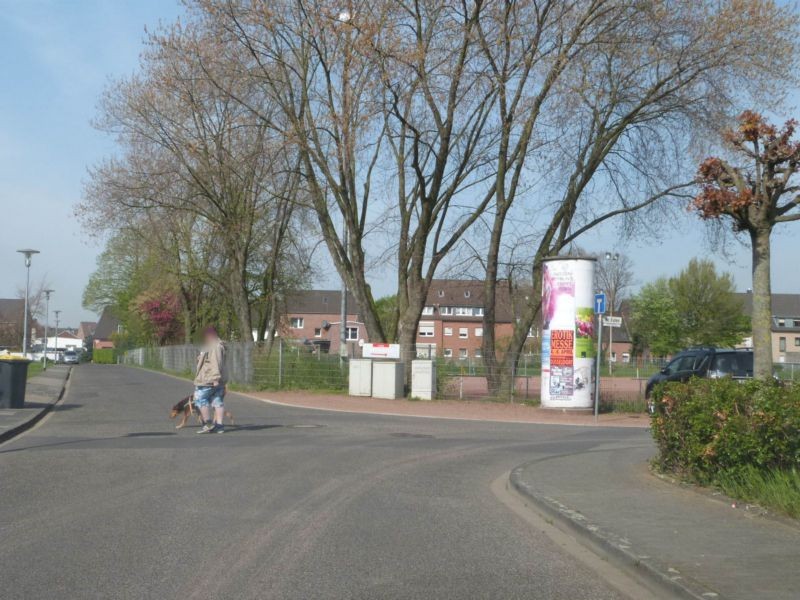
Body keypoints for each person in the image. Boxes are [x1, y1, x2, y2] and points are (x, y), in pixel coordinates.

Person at [194, 326, 228, 434]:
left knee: (199, 399)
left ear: (210, 336)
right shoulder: (217, 346)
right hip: (215, 379)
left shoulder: (214, 346)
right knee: (217, 401)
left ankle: (208, 424)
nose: (205, 338)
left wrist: (215, 378)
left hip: (208, 379)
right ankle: (219, 426)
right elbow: (211, 361)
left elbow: (215, 362)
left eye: (206, 336)